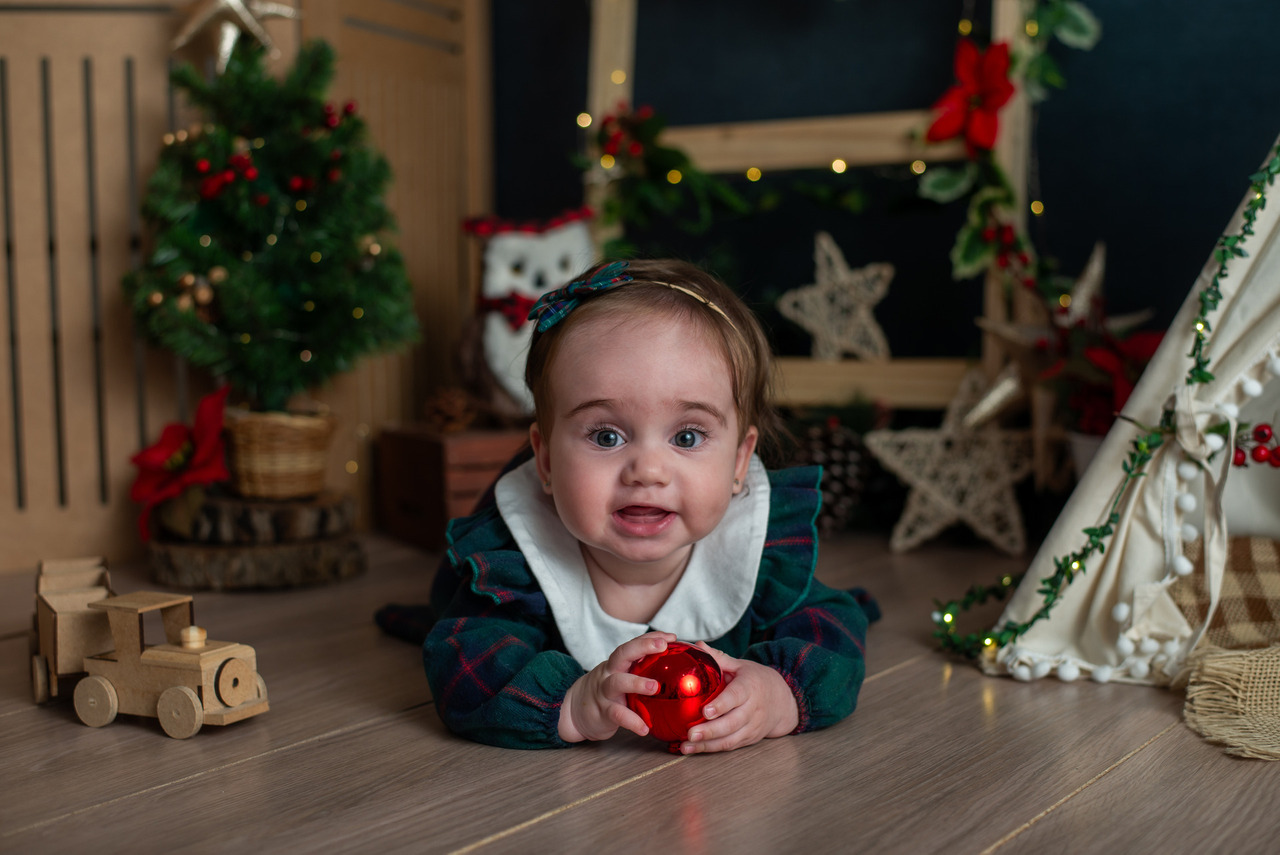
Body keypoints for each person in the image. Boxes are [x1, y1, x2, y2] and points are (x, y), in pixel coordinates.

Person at [422, 258, 870, 752]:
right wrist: (571, 703)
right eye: (606, 436)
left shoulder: (752, 551)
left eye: (687, 436)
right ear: (545, 460)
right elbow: (464, 661)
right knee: (448, 603)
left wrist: (779, 691)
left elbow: (833, 632)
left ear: (740, 461)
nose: (648, 471)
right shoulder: (517, 564)